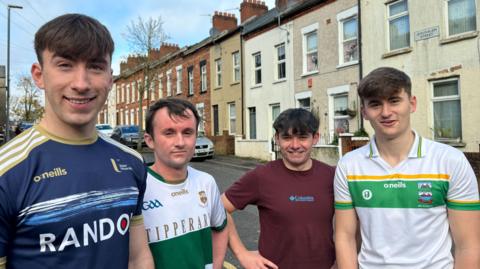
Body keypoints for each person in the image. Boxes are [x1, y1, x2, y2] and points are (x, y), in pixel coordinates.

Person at [0, 14, 153, 269]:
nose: (81, 84)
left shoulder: (132, 162)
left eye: (95, 66)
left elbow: (137, 257)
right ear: (39, 75)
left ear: (110, 78)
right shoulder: (7, 172)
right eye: (65, 65)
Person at [334, 67, 480, 268]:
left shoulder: (450, 160)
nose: (386, 113)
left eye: (394, 101)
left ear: (412, 104)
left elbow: (469, 245)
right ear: (364, 112)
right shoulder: (349, 165)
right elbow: (345, 237)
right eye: (375, 104)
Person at [222, 108, 336, 269]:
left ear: (315, 138)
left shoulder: (331, 176)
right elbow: (218, 209)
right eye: (287, 137)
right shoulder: (261, 176)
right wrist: (242, 253)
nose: (295, 145)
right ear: (277, 138)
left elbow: (351, 224)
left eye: (303, 137)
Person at [142, 98, 228, 269]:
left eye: (187, 132)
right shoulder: (137, 187)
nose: (180, 142)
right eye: (169, 133)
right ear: (149, 140)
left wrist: (216, 266)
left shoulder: (206, 182)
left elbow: (221, 228)